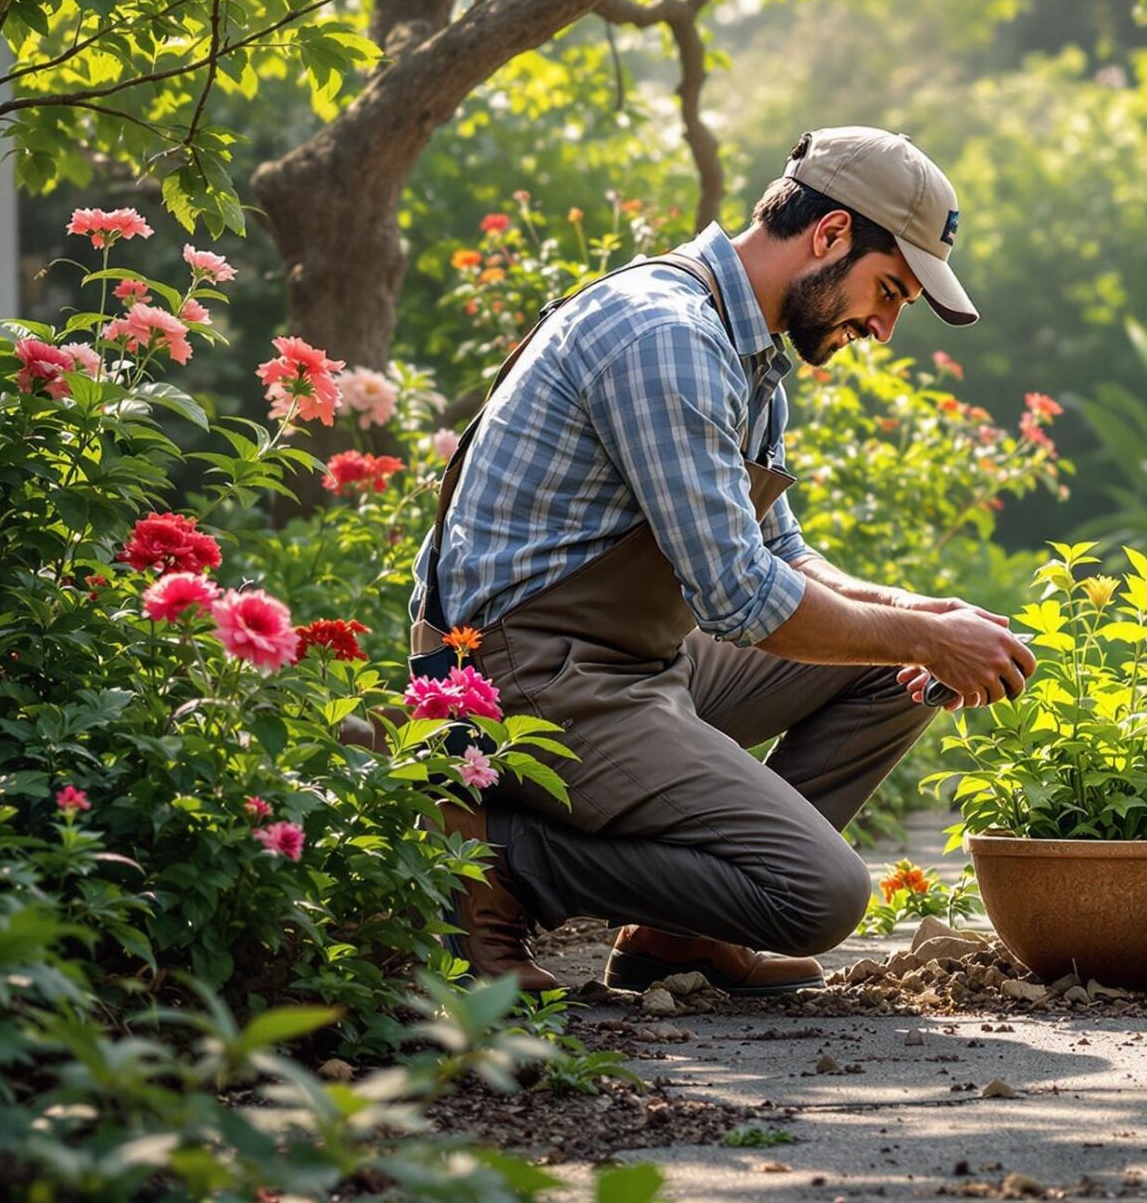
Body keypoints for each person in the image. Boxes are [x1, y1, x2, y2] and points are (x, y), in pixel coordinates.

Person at [408, 127, 1036, 994]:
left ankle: (682, 937)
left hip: (628, 656)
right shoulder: (665, 334)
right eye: (888, 290)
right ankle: (505, 859)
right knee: (820, 892)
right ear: (830, 235)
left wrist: (925, 623)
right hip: (527, 675)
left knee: (892, 662)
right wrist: (929, 640)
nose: (885, 328)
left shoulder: (748, 350)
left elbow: (778, 553)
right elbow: (742, 599)